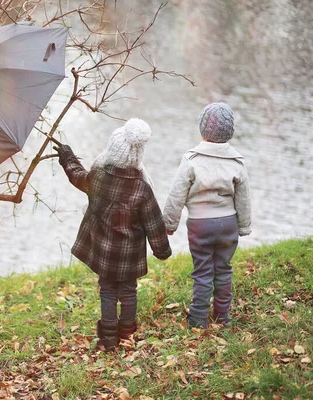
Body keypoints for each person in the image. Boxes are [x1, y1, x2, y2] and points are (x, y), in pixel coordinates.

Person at [55, 118, 172, 351]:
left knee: (107, 291)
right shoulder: (141, 187)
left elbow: (77, 176)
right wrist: (162, 251)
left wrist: (67, 157)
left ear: (112, 151)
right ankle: (127, 336)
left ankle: (108, 340)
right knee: (128, 292)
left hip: (104, 252)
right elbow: (154, 223)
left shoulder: (98, 177)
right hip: (128, 255)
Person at [163, 102, 252, 329]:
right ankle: (222, 316)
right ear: (229, 132)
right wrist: (243, 226)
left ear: (203, 130)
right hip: (228, 223)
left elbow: (177, 194)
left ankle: (198, 318)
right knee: (223, 269)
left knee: (203, 270)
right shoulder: (237, 162)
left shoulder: (192, 160)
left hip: (200, 224)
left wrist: (169, 223)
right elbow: (243, 198)